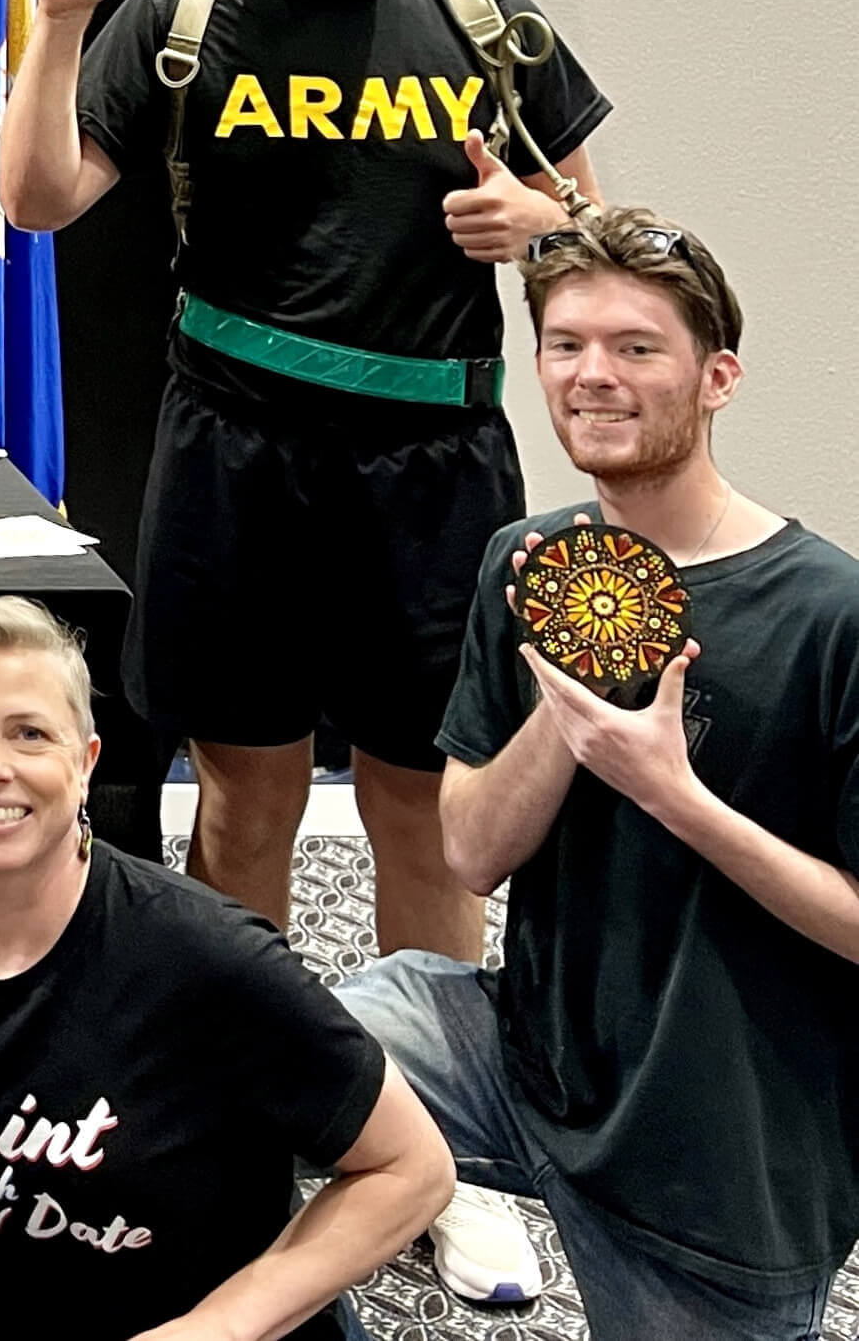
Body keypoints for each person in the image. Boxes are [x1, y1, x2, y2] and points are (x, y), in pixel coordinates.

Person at [0, 0, 607, 981]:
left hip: (438, 465)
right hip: (236, 455)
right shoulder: (178, 19)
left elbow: (607, 243)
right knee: (242, 800)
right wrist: (60, 21)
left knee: (423, 808)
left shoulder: (492, 27)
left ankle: (428, 1098)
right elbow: (38, 200)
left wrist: (548, 226)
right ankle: (251, 1102)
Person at [335, 213, 859, 1336]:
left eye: (635, 347)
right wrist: (569, 720)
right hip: (526, 1052)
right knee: (238, 1061)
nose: (593, 376)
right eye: (566, 345)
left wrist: (673, 791)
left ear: (718, 377)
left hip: (724, 1166)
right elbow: (470, 854)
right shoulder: (528, 565)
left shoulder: (831, 615)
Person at [0, 595, 452, 1339]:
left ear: (85, 763)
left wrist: (220, 1327)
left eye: (29, 734)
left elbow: (413, 1166)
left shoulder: (204, 955)